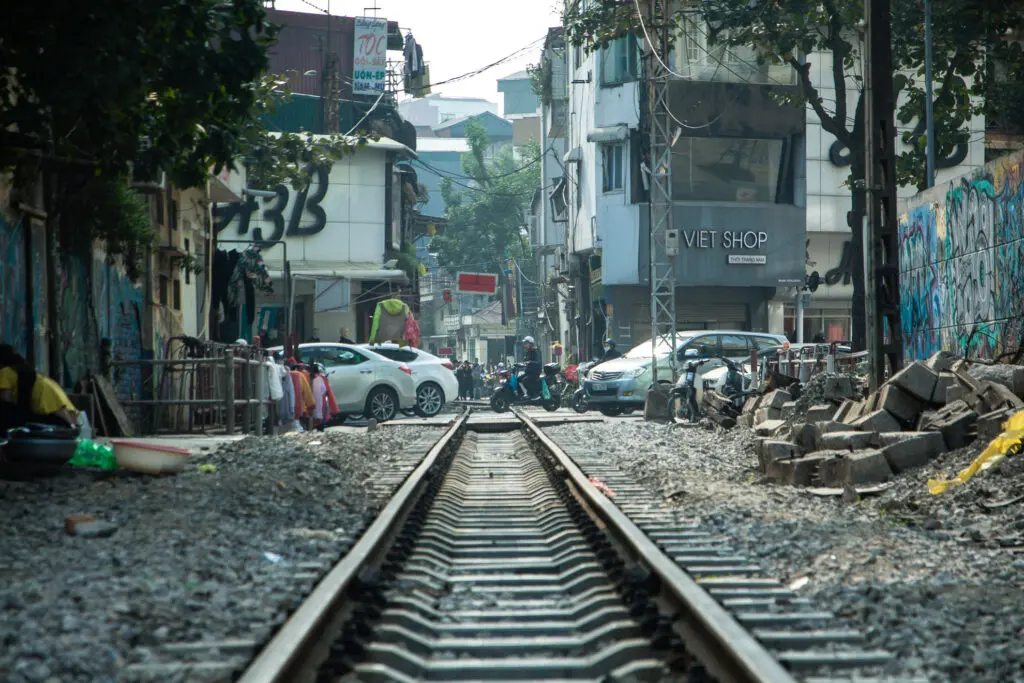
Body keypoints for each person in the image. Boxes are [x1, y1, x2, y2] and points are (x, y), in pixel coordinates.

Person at [0, 344, 79, 431]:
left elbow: (5, 401)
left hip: (54, 420)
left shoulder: (5, 372)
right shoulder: (33, 373)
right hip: (69, 421)